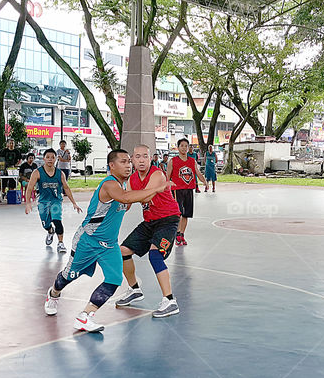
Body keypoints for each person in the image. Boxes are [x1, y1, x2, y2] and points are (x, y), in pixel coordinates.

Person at [43, 150, 171, 332]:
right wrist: (158, 188)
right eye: (124, 162)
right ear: (112, 166)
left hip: (109, 245)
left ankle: (85, 316)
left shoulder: (122, 186)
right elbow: (126, 198)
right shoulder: (109, 184)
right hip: (88, 241)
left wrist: (153, 191)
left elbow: (135, 198)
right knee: (69, 276)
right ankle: (53, 294)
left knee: (114, 279)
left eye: (129, 162)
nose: (129, 165)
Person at [114, 144, 181, 318]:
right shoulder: (133, 179)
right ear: (132, 160)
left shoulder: (157, 174)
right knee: (123, 251)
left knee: (155, 255)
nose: (142, 160)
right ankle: (134, 289)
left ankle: (170, 301)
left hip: (168, 219)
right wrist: (111, 208)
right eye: (138, 157)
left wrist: (127, 196)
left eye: (145, 156)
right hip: (150, 221)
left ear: (151, 158)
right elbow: (127, 201)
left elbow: (146, 195)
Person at [25, 149, 81, 253]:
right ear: (44, 159)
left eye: (52, 157)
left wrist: (74, 203)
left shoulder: (60, 174)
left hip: (56, 201)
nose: (50, 159)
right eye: (48, 157)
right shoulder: (37, 172)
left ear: (56, 159)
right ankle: (50, 231)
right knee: (46, 224)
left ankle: (60, 243)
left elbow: (67, 188)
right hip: (43, 202)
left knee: (57, 220)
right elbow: (29, 188)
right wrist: (28, 203)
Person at [166, 139, 206, 246]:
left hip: (189, 190)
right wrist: (166, 189)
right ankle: (177, 234)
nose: (184, 148)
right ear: (178, 147)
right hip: (177, 190)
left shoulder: (192, 161)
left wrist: (204, 181)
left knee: (186, 214)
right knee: (178, 213)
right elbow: (167, 177)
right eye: (182, 146)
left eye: (186, 146)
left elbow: (198, 172)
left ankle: (182, 234)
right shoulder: (173, 161)